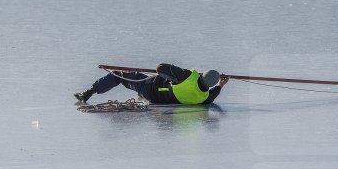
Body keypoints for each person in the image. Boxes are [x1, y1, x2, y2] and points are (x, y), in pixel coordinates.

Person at [74, 63, 229, 104]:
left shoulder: (187, 76)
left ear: (202, 76)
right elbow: (213, 95)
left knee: (118, 75)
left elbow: (160, 68)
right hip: (160, 99)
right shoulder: (204, 97)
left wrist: (185, 73)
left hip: (149, 87)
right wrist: (221, 84)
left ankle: (87, 93)